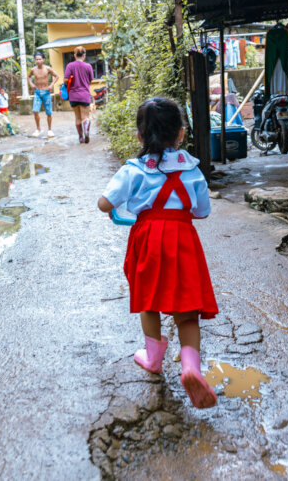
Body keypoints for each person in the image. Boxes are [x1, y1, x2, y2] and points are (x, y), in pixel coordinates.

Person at [96, 98, 219, 409]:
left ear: (140, 137)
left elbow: (104, 204)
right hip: (182, 239)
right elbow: (202, 211)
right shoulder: (191, 169)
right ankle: (190, 366)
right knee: (187, 306)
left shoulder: (133, 170)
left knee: (148, 297)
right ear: (180, 134)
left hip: (148, 239)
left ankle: (153, 358)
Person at [64, 46, 95, 143]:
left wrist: (70, 82)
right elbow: (91, 80)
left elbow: (65, 80)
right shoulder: (88, 66)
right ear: (84, 55)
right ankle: (86, 131)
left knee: (77, 117)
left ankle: (81, 137)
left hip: (73, 95)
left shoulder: (70, 65)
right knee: (85, 117)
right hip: (84, 94)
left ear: (74, 55)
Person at [28, 53, 58, 138]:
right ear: (35, 60)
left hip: (46, 92)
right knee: (35, 110)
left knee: (48, 112)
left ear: (43, 59)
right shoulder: (33, 70)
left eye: (39, 59)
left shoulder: (47, 68)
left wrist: (51, 85)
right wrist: (31, 84)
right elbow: (28, 77)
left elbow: (56, 76)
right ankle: (38, 129)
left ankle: (49, 130)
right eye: (36, 59)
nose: (38, 61)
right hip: (37, 92)